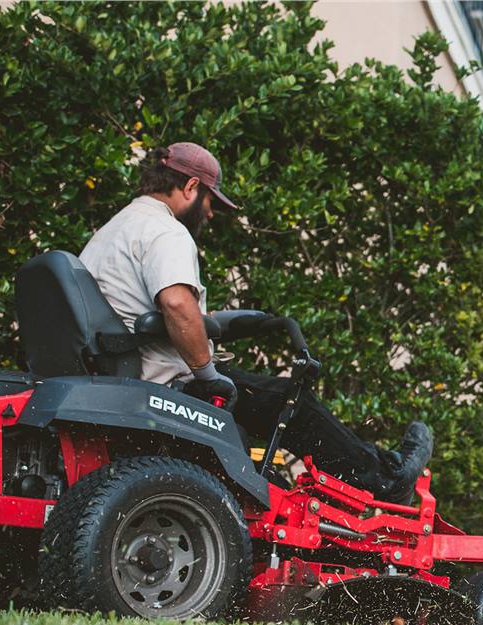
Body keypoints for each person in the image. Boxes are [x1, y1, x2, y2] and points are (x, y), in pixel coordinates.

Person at [78, 142, 431, 503]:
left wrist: (221, 322)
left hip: (119, 382)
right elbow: (177, 303)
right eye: (211, 202)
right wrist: (208, 375)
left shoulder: (112, 230)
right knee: (292, 403)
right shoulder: (165, 230)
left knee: (258, 458)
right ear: (191, 187)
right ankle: (387, 480)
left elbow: (159, 311)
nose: (210, 214)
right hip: (166, 387)